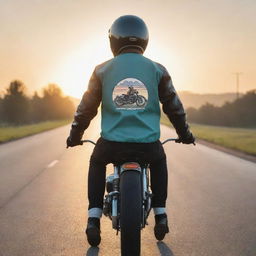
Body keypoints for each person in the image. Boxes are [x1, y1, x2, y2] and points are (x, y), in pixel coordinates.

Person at [66, 15, 195, 247]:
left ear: (113, 40)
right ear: (145, 40)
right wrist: (185, 134)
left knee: (96, 162)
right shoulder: (157, 69)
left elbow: (86, 109)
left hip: (111, 144)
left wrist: (75, 135)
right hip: (148, 145)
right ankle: (161, 214)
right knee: (159, 160)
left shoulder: (102, 70)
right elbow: (174, 108)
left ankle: (93, 218)